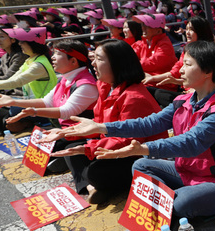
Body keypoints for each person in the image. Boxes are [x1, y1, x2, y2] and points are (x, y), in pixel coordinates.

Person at [56, 41, 215, 221]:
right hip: (185, 171)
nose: (180, 69)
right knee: (140, 166)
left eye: (187, 64)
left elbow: (190, 143)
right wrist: (102, 127)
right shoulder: (184, 100)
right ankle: (177, 200)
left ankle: (191, 200)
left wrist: (143, 148)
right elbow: (150, 123)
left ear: (207, 72)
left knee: (180, 204)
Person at [45, 39, 165, 204]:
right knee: (72, 149)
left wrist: (89, 148)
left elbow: (128, 142)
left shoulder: (133, 97)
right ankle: (91, 187)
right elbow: (100, 124)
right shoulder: (106, 87)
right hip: (114, 146)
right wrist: (68, 133)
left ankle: (100, 184)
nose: (93, 63)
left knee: (95, 170)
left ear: (117, 63)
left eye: (99, 59)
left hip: (136, 154)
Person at [0, 39, 98, 172]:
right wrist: (13, 101)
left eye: (57, 54)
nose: (52, 57)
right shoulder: (65, 78)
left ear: (73, 61)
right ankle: (59, 159)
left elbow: (66, 111)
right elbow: (46, 102)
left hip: (82, 132)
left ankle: (62, 159)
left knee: (48, 150)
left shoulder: (86, 84)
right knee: (35, 152)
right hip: (66, 129)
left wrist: (33, 111)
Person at [143, 16, 215, 107]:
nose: (187, 32)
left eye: (191, 29)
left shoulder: (209, 52)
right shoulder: (187, 49)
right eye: (187, 29)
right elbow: (176, 71)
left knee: (159, 95)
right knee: (147, 91)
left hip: (197, 93)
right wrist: (152, 78)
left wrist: (197, 89)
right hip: (182, 89)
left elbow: (150, 63)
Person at [131, 13, 178, 89]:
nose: (143, 28)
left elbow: (152, 63)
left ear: (158, 31)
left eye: (147, 26)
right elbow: (129, 55)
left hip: (163, 84)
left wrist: (132, 66)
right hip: (147, 81)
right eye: (142, 25)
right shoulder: (143, 43)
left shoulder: (165, 45)